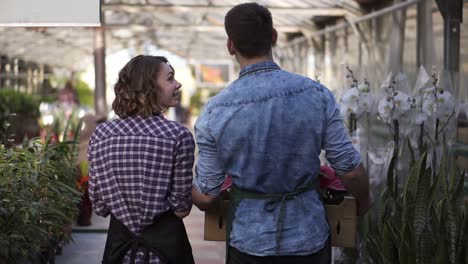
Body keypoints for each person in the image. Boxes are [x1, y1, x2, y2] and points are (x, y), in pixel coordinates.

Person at [191, 3, 370, 264]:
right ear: (274, 36)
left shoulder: (214, 111)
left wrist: (180, 191)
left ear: (230, 46)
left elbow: (207, 196)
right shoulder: (316, 94)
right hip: (309, 237)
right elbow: (350, 169)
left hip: (248, 241)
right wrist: (362, 204)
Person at [88, 55, 195, 264]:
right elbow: (181, 209)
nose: (178, 84)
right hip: (167, 250)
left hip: (119, 251)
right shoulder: (178, 136)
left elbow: (99, 206)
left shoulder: (101, 135)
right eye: (170, 78)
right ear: (149, 87)